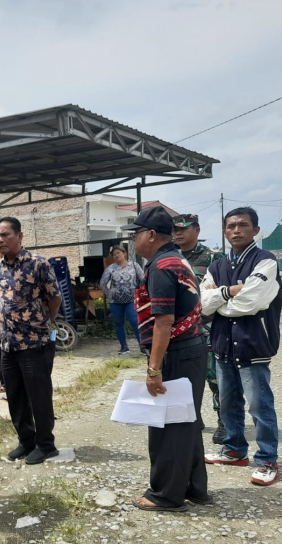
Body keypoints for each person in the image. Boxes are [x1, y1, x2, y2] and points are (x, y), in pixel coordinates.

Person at [121, 206, 211, 511]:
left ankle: (166, 495)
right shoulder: (177, 260)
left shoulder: (161, 267)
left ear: (150, 235)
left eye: (135, 235)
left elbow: (163, 322)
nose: (133, 241)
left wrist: (153, 369)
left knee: (168, 425)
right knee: (187, 421)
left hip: (177, 353)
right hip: (192, 349)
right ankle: (194, 488)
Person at [201, 206, 282, 486]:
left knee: (260, 405)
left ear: (255, 231)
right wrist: (230, 291)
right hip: (223, 344)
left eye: (243, 225)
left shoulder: (265, 261)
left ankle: (267, 459)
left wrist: (219, 300)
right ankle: (234, 450)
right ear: (224, 232)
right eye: (231, 226)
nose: (236, 230)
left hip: (254, 344)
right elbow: (202, 302)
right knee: (228, 402)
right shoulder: (217, 266)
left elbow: (252, 302)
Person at [0, 216, 62, 465]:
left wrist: (42, 324)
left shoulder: (38, 264)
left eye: (5, 234)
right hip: (8, 345)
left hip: (34, 343)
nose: (0, 240)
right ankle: (26, 440)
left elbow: (55, 299)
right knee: (15, 395)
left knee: (39, 396)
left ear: (20, 236)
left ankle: (46, 445)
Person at [172, 213, 227, 445]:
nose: (178, 232)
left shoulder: (215, 258)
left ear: (197, 230)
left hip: (209, 329)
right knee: (184, 379)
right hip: (180, 330)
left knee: (216, 378)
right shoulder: (169, 257)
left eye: (183, 228)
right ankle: (193, 418)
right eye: (175, 229)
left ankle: (224, 422)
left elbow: (222, 293)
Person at [99, 245, 144, 355]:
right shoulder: (110, 269)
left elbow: (143, 279)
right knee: (119, 323)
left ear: (125, 254)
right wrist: (110, 294)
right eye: (114, 254)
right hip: (115, 301)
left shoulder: (134, 265)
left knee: (134, 321)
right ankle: (124, 347)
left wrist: (140, 292)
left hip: (131, 299)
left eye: (118, 253)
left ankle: (142, 346)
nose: (116, 255)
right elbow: (102, 283)